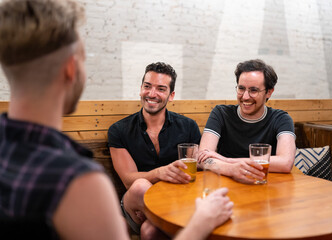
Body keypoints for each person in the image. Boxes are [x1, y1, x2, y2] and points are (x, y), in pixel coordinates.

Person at [0, 0, 232, 239]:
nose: (152, 93)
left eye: (160, 89)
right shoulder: (79, 180)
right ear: (70, 68)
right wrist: (202, 222)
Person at [108, 62, 201, 236]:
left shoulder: (188, 126)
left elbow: (198, 169)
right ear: (141, 88)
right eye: (147, 86)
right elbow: (128, 181)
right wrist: (160, 173)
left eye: (160, 89)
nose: (152, 94)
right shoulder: (119, 130)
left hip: (176, 200)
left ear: (171, 95)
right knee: (140, 186)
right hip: (135, 203)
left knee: (150, 231)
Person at [198, 59, 296, 184]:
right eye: (241, 88)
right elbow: (202, 158)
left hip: (266, 186)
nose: (245, 96)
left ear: (269, 92)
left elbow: (286, 163)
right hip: (226, 185)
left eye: (253, 90)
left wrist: (226, 160)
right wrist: (231, 169)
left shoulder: (281, 119)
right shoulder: (221, 113)